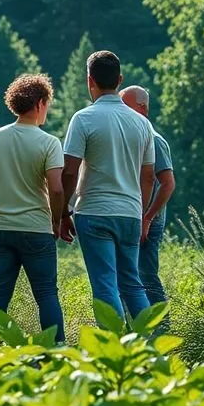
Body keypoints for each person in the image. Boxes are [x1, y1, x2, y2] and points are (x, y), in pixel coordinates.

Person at [60, 51, 155, 321]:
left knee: (105, 285)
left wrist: (63, 212)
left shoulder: (83, 119)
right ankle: (150, 349)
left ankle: (114, 351)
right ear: (120, 79)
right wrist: (141, 213)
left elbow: (69, 171)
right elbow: (148, 176)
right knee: (132, 284)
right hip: (130, 213)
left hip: (94, 211)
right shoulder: (142, 124)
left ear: (90, 80)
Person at [0, 74, 66, 341]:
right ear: (40, 103)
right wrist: (57, 221)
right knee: (47, 294)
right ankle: (55, 351)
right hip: (36, 228)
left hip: (1, 228)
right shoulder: (49, 143)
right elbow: (58, 188)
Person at [121, 85, 176, 313]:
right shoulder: (130, 138)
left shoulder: (154, 140)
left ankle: (160, 328)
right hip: (134, 218)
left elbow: (168, 184)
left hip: (148, 222)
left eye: (125, 106)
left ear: (142, 108)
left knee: (146, 275)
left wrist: (147, 218)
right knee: (128, 276)